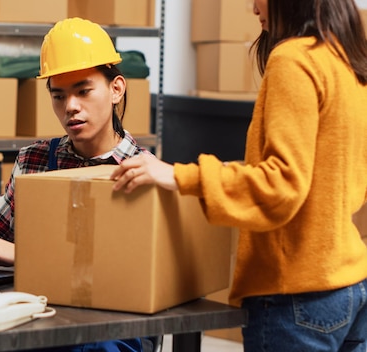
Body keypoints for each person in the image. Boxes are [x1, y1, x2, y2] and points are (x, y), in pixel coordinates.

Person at [111, 0, 367, 351]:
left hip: (295, 292)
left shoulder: (294, 59)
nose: (252, 6)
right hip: (350, 285)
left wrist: (180, 176)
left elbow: (281, 185)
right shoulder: (347, 62)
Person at [0, 17, 155, 352]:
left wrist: (24, 255)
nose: (70, 107)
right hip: (37, 313)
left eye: (83, 91)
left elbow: (132, 271)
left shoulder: (143, 172)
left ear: (116, 89)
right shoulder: (34, 160)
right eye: (58, 95)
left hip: (111, 326)